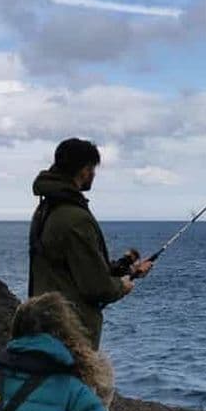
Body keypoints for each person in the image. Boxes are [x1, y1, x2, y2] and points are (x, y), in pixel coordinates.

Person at [28, 138, 152, 348]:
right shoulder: (75, 218)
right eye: (92, 168)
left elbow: (73, 269)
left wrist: (128, 270)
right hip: (70, 333)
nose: (94, 174)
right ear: (84, 171)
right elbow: (97, 287)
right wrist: (123, 285)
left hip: (45, 321)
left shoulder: (46, 209)